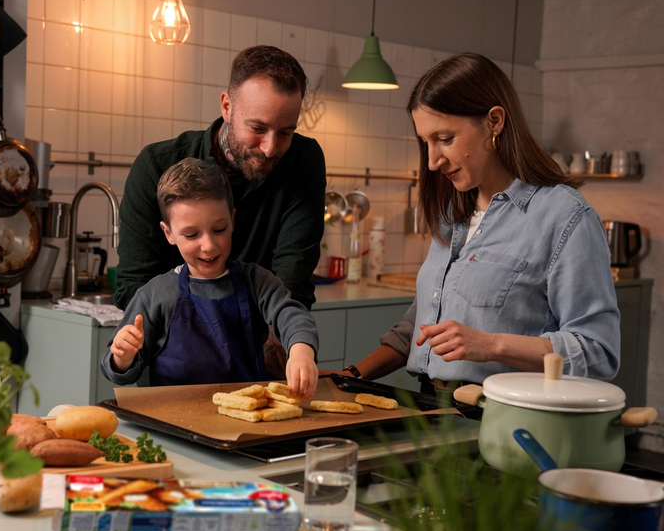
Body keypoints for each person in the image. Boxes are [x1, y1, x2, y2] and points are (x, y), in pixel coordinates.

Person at [335, 53, 620, 392]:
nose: (432, 162)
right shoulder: (451, 211)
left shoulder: (563, 217)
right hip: (430, 410)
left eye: (444, 139)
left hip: (500, 417)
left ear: (494, 122)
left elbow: (598, 352)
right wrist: (350, 377)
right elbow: (421, 327)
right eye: (425, 142)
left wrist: (491, 345)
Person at [113, 45, 326, 314]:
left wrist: (284, 341)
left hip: (266, 339)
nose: (270, 148)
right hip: (174, 341)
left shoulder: (303, 160)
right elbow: (135, 285)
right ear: (227, 106)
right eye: (258, 128)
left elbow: (293, 277)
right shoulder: (155, 165)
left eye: (285, 132)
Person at [100, 158, 319, 400]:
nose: (208, 245)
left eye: (219, 230)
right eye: (192, 234)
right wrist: (123, 355)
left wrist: (301, 351)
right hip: (172, 419)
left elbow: (292, 314)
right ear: (169, 233)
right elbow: (118, 371)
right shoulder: (156, 294)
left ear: (232, 220)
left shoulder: (257, 282)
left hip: (245, 413)